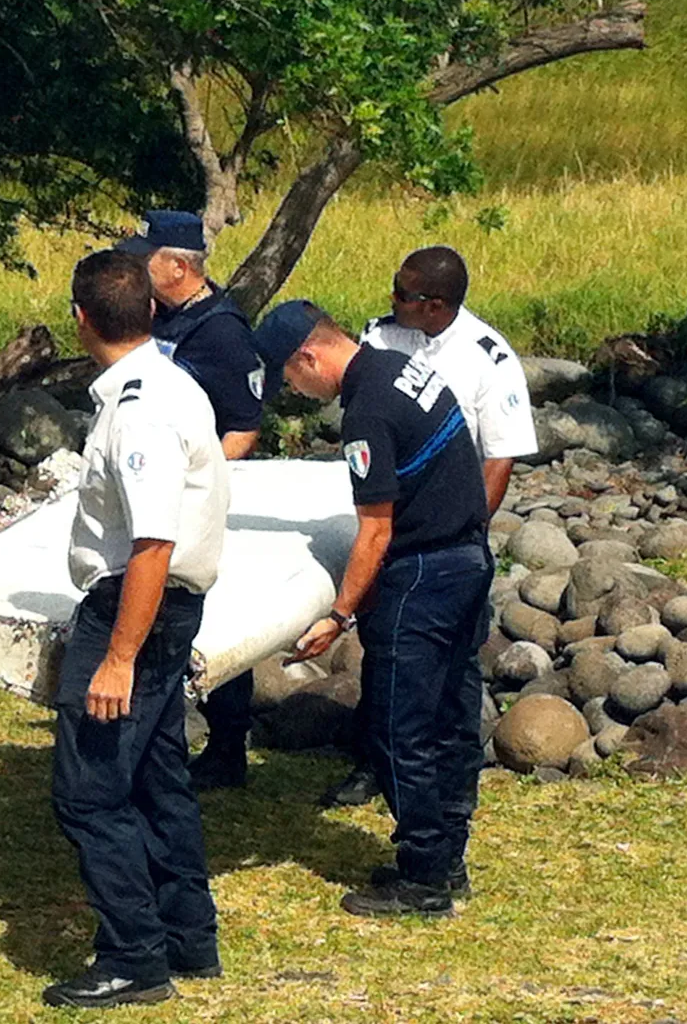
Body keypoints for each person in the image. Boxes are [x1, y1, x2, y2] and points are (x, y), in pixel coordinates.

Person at [250, 299, 493, 919]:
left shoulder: (366, 412)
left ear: (309, 356)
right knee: (449, 716)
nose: (293, 392)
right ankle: (446, 857)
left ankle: (424, 878)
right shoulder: (398, 367)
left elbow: (375, 531)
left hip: (419, 577)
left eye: (289, 378)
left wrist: (338, 614)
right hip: (468, 556)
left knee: (396, 728)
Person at [45, 250, 228, 1008]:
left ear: (81, 320)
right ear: (152, 310)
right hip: (161, 606)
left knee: (88, 790)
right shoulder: (172, 382)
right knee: (157, 778)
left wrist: (117, 655)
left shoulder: (140, 408)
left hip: (135, 608)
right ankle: (188, 932)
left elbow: (153, 540)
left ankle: (133, 954)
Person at [322, 245, 538, 809]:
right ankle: (372, 762)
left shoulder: (487, 358)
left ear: (436, 304)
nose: (391, 299)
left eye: (403, 292)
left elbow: (499, 458)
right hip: (387, 517)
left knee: (452, 665)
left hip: (445, 530)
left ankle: (452, 780)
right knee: (384, 648)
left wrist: (462, 529)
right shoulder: (381, 336)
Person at [116, 209, 264, 791]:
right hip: (156, 484)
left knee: (211, 616)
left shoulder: (222, 330)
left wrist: (202, 483)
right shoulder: (162, 321)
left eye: (145, 258)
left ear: (178, 267)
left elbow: (245, 425)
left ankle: (227, 745)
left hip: (199, 497)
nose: (136, 268)